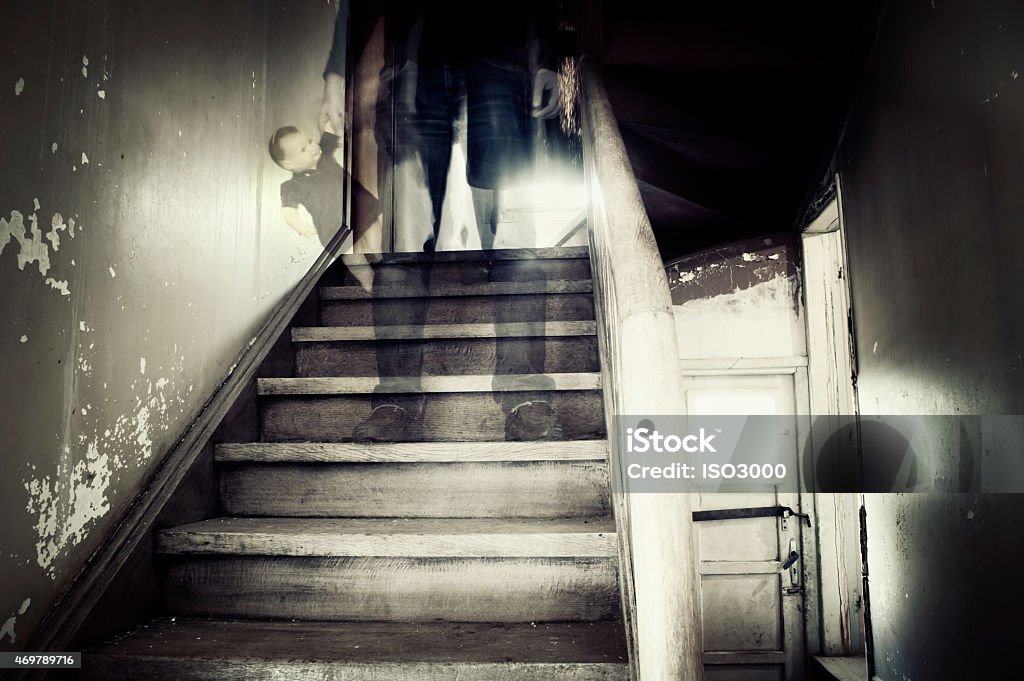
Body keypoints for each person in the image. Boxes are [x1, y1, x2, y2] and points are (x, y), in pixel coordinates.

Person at [320, 2, 566, 442]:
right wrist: (336, 71)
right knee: (403, 252)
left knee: (513, 245)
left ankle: (526, 395)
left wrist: (549, 57)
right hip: (414, 67)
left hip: (500, 62)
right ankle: (396, 402)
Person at [268, 121, 378, 245]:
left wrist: (337, 118)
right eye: (303, 150)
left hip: (361, 207)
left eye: (309, 141)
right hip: (335, 230)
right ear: (289, 164)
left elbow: (331, 127)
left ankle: (380, 257)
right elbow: (289, 212)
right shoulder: (293, 186)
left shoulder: (323, 153)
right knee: (355, 257)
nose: (312, 148)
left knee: (376, 239)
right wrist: (303, 229)